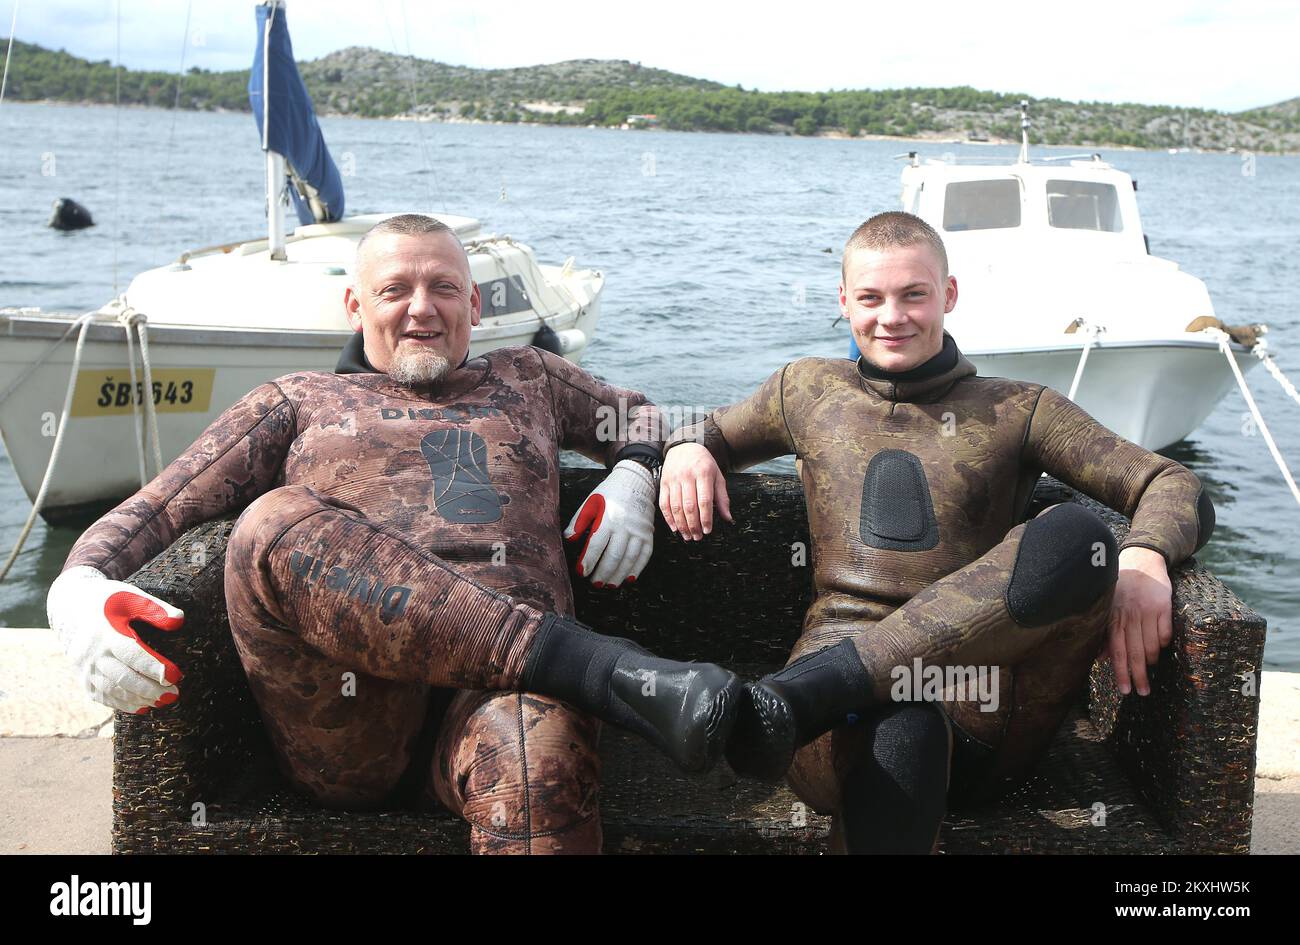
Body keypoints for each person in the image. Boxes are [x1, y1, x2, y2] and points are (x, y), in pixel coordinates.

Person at [48, 214, 740, 855]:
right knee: (271, 522)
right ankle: (599, 668)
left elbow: (647, 417)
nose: (421, 307)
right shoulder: (298, 399)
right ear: (355, 307)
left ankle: (572, 670)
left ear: (474, 306)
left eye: (444, 288)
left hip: (496, 707)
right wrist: (76, 586)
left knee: (538, 749)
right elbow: (158, 507)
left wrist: (642, 470)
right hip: (348, 717)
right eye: (394, 289)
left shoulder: (528, 375)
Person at [659, 211, 1213, 854]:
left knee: (1078, 534)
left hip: (974, 721)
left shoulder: (1019, 409)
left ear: (948, 295)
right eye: (870, 298)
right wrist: (688, 447)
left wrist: (1145, 555)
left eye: (913, 294)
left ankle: (789, 698)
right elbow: (708, 428)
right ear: (844, 302)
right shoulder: (806, 390)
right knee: (902, 722)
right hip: (825, 736)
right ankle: (816, 695)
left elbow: (1170, 482)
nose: (891, 317)